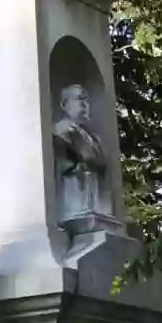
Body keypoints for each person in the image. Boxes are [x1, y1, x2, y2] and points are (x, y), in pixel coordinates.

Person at [52, 85, 109, 221]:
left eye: (86, 100)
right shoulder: (61, 130)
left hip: (93, 201)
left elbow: (101, 162)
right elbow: (89, 156)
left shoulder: (92, 137)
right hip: (75, 198)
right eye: (79, 99)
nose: (84, 104)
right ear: (64, 105)